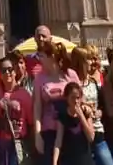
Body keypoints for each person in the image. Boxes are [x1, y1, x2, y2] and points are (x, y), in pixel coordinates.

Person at [34, 29, 82, 165]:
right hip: (49, 130)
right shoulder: (39, 78)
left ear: (52, 57)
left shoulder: (70, 74)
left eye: (42, 56)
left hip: (70, 128)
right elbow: (37, 108)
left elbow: (80, 99)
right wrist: (37, 135)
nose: (39, 59)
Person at [0, 55, 34, 165]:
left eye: (10, 69)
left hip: (19, 142)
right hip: (1, 143)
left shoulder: (24, 94)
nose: (7, 73)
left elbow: (31, 122)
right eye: (3, 70)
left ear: (15, 71)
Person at [53, 82, 97, 165]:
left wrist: (81, 116)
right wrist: (55, 161)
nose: (76, 101)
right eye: (72, 98)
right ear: (67, 98)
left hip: (85, 160)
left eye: (78, 98)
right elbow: (58, 141)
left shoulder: (86, 113)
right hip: (69, 160)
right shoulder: (62, 116)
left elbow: (91, 137)